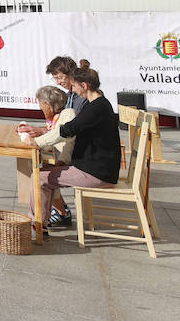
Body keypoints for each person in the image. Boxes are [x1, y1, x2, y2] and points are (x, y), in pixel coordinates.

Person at [38, 67, 121, 227]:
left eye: (74, 86)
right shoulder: (98, 104)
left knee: (40, 178)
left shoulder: (96, 108)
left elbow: (68, 130)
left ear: (84, 85)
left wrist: (37, 142)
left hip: (97, 173)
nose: (73, 90)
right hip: (99, 168)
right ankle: (45, 220)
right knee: (45, 171)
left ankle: (39, 225)